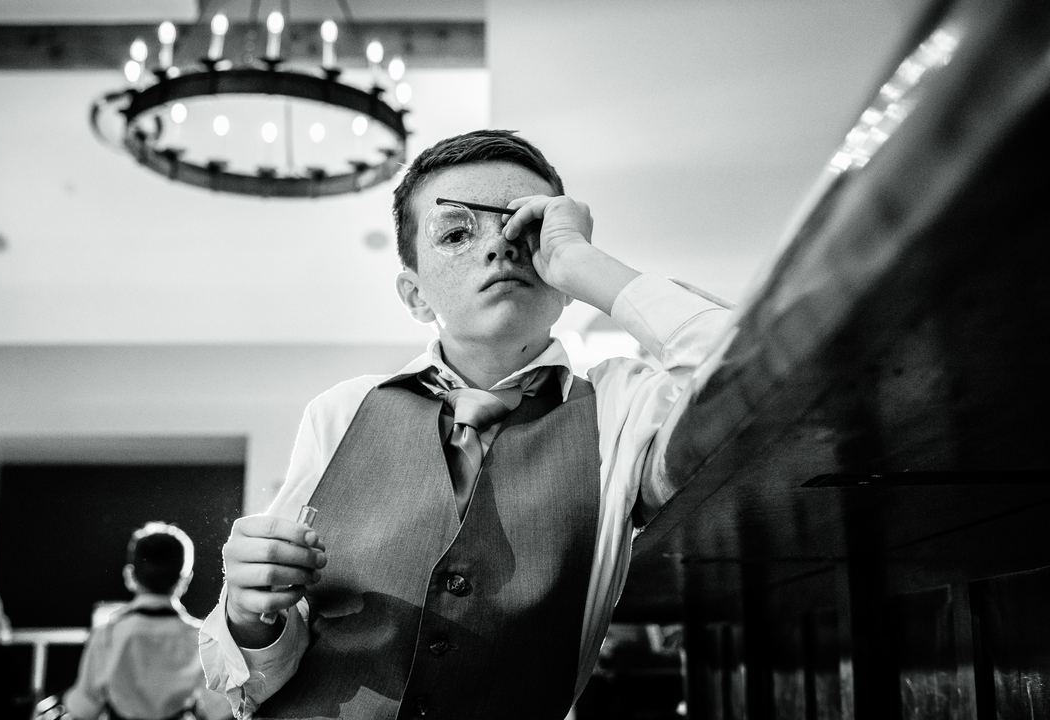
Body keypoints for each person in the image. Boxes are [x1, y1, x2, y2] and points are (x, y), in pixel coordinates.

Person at [199, 129, 731, 720]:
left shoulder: (619, 407)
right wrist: (249, 614)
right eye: (456, 233)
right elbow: (256, 676)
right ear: (415, 295)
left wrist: (581, 261)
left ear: (566, 287)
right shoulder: (342, 411)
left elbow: (754, 370)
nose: (500, 247)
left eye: (527, 229)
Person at [60, 522, 227, 720]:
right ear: (186, 580)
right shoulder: (203, 639)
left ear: (129, 576)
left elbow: (83, 710)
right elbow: (220, 711)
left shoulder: (107, 635)